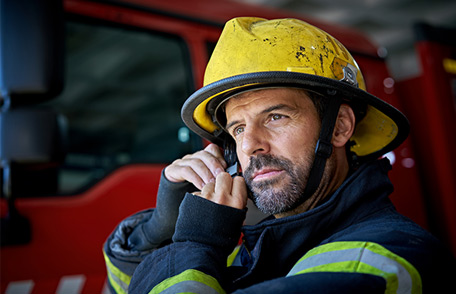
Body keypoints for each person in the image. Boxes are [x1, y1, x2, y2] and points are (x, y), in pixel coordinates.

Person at [103, 17, 456, 293]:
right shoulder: (252, 246)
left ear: (339, 128)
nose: (249, 147)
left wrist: (191, 245)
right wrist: (155, 234)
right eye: (237, 129)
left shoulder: (378, 260)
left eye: (275, 117)